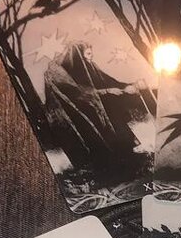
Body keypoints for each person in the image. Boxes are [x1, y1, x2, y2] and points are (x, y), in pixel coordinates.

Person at [42, 41, 150, 181]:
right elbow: (78, 93)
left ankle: (127, 163)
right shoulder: (60, 74)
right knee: (100, 148)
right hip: (84, 118)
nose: (91, 57)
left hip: (101, 113)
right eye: (87, 54)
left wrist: (130, 86)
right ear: (77, 56)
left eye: (91, 53)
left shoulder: (90, 67)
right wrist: (107, 91)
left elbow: (109, 82)